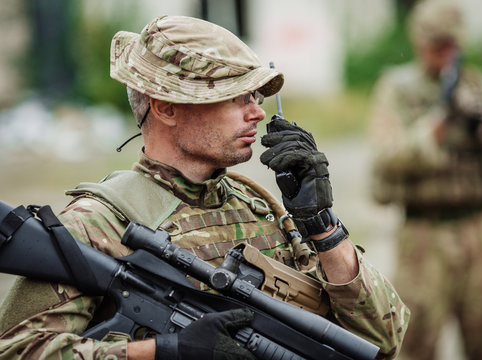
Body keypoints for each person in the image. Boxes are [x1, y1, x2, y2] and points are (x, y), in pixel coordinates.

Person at [0, 15, 409, 359]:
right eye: (237, 97)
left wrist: (322, 226)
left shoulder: (259, 207)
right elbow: (18, 349)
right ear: (166, 107)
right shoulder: (95, 225)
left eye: (255, 95)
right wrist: (163, 350)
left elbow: (383, 339)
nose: (257, 112)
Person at [368, 1, 482, 359]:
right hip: (425, 233)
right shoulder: (398, 89)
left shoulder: (481, 88)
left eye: (451, 45)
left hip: (479, 230)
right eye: (436, 45)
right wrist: (436, 126)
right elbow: (384, 159)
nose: (445, 54)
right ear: (419, 42)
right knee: (417, 342)